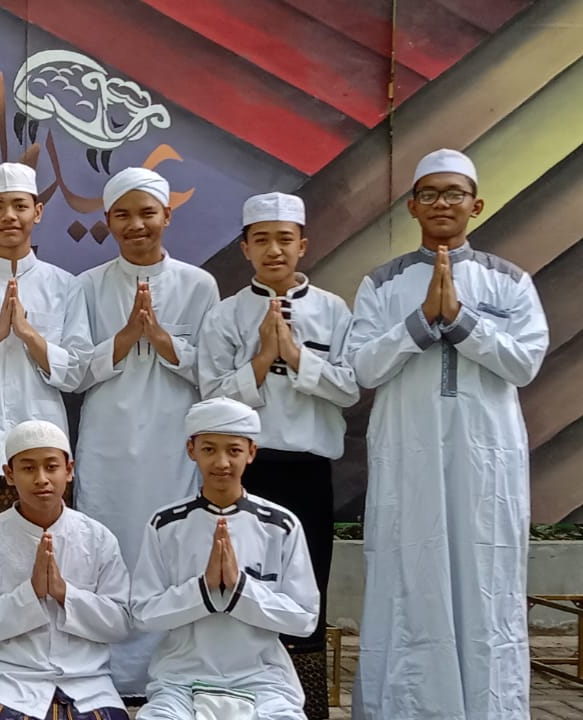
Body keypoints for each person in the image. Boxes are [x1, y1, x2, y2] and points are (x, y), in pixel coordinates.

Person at [347, 149, 548, 720]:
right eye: (430, 194)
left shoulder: (510, 281)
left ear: (475, 205)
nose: (442, 204)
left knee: (487, 578)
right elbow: (362, 367)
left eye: (454, 193)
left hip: (485, 458)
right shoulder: (382, 283)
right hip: (407, 453)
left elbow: (524, 363)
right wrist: (419, 324)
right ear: (412, 206)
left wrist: (461, 321)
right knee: (408, 576)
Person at [195, 191, 357, 717]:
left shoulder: (333, 311)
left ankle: (305, 702)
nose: (274, 250)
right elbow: (211, 395)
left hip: (308, 471)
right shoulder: (225, 315)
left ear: (303, 245)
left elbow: (349, 388)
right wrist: (263, 360)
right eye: (261, 240)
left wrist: (296, 356)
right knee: (241, 579)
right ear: (245, 248)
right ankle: (237, 696)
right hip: (245, 473)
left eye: (284, 239)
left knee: (306, 585)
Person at [74, 166, 219, 699]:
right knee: (107, 548)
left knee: (168, 549)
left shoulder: (199, 285)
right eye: (123, 215)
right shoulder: (89, 285)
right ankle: (109, 673)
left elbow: (214, 371)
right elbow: (71, 370)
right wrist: (124, 338)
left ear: (167, 216)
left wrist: (160, 339)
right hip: (107, 441)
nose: (136, 225)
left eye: (147, 213)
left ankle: (167, 671)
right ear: (108, 221)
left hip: (171, 443)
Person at [132, 397, 319, 720]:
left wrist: (240, 588)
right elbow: (142, 614)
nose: (221, 462)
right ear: (191, 450)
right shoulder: (166, 525)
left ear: (251, 452)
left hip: (264, 681)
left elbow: (305, 619)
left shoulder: (280, 525)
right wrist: (203, 590)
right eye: (209, 449)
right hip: (181, 679)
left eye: (233, 450)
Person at [0, 162, 91, 540]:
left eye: (20, 206)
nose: (9, 216)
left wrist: (27, 334)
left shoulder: (64, 285)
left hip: (46, 453)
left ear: (37, 212)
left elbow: (76, 373)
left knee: (50, 548)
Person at [0, 420, 134, 720]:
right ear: (9, 474)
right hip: (6, 681)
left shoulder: (98, 538)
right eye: (28, 468)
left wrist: (64, 593)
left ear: (69, 470)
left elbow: (121, 623)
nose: (41, 479)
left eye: (51, 467)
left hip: (86, 682)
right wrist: (30, 594)